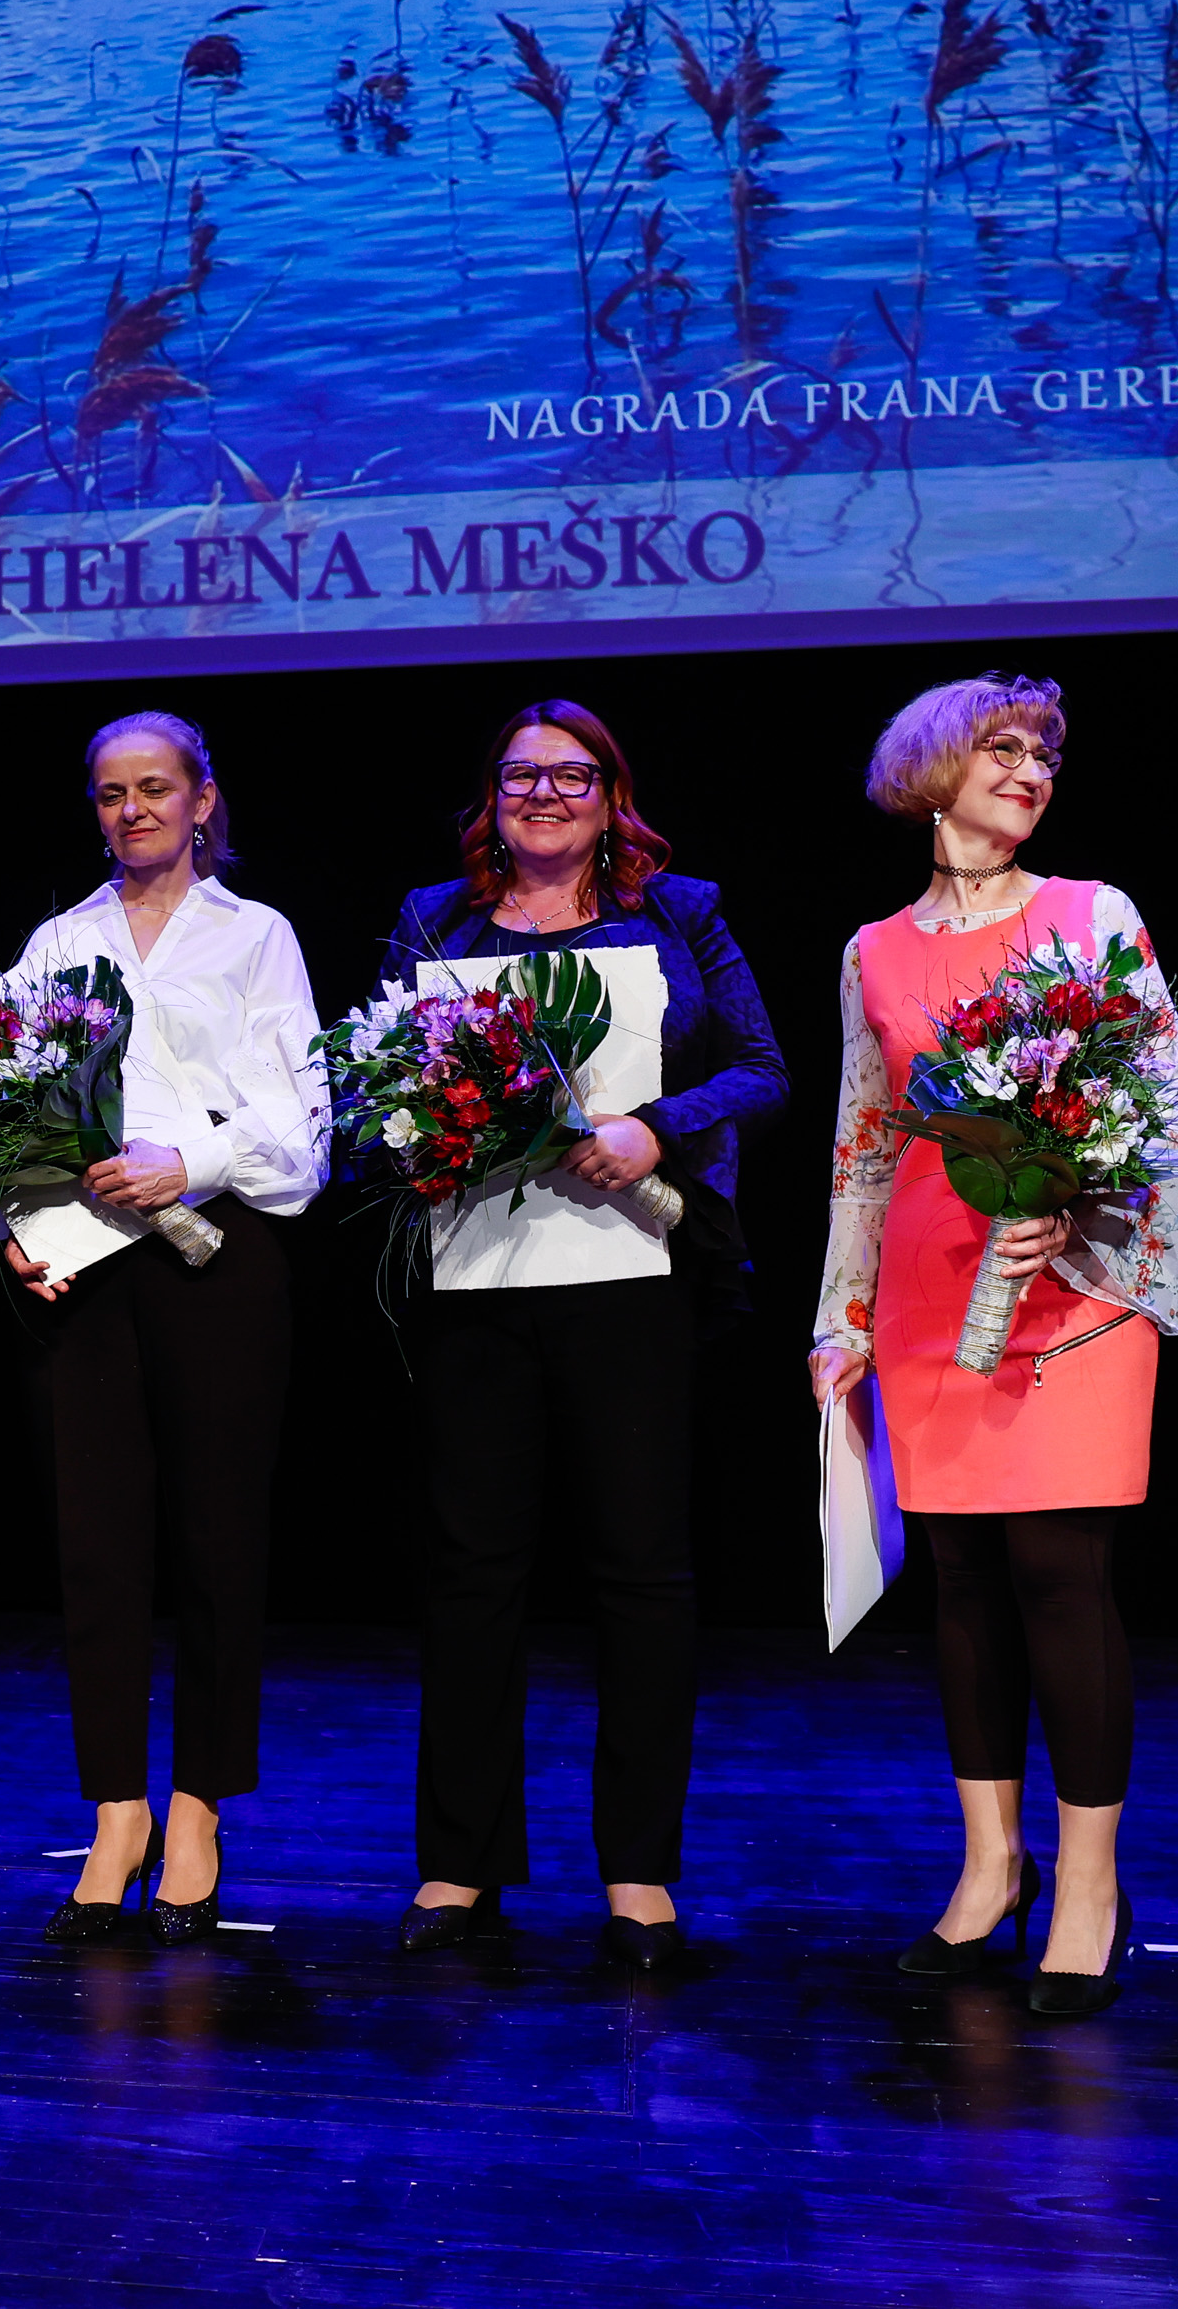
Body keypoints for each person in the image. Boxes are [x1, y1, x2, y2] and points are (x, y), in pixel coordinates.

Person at [810, 674, 1178, 2017]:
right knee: (964, 1580)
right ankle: (991, 1865)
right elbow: (865, 1143)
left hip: (1071, 1283)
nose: (1032, 769)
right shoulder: (873, 950)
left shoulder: (1093, 914)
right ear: (931, 771)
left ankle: (1089, 1885)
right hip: (931, 1286)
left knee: (1059, 1573)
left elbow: (1166, 1098)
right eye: (1003, 747)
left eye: (1044, 752)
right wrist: (841, 1315)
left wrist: (1076, 1203)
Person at [376, 701, 785, 1971]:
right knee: (471, 1571)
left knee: (639, 1573)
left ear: (612, 797)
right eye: (519, 777)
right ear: (489, 799)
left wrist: (653, 1128)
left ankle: (638, 1876)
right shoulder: (435, 922)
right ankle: (458, 1867)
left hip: (634, 1276)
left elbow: (762, 1067)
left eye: (569, 777)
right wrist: (425, 1123)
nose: (542, 795)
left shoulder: (680, 912)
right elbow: (368, 1076)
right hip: (476, 1276)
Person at [0, 713, 322, 1943]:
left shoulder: (255, 935)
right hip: (85, 1268)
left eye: (155, 787)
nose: (133, 810)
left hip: (222, 1261)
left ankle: (199, 1809)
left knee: (218, 1542)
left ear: (203, 799)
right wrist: (5, 1221)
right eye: (111, 793)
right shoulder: (60, 942)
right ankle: (117, 1810)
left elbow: (300, 1128)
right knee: (96, 1548)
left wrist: (186, 1161)